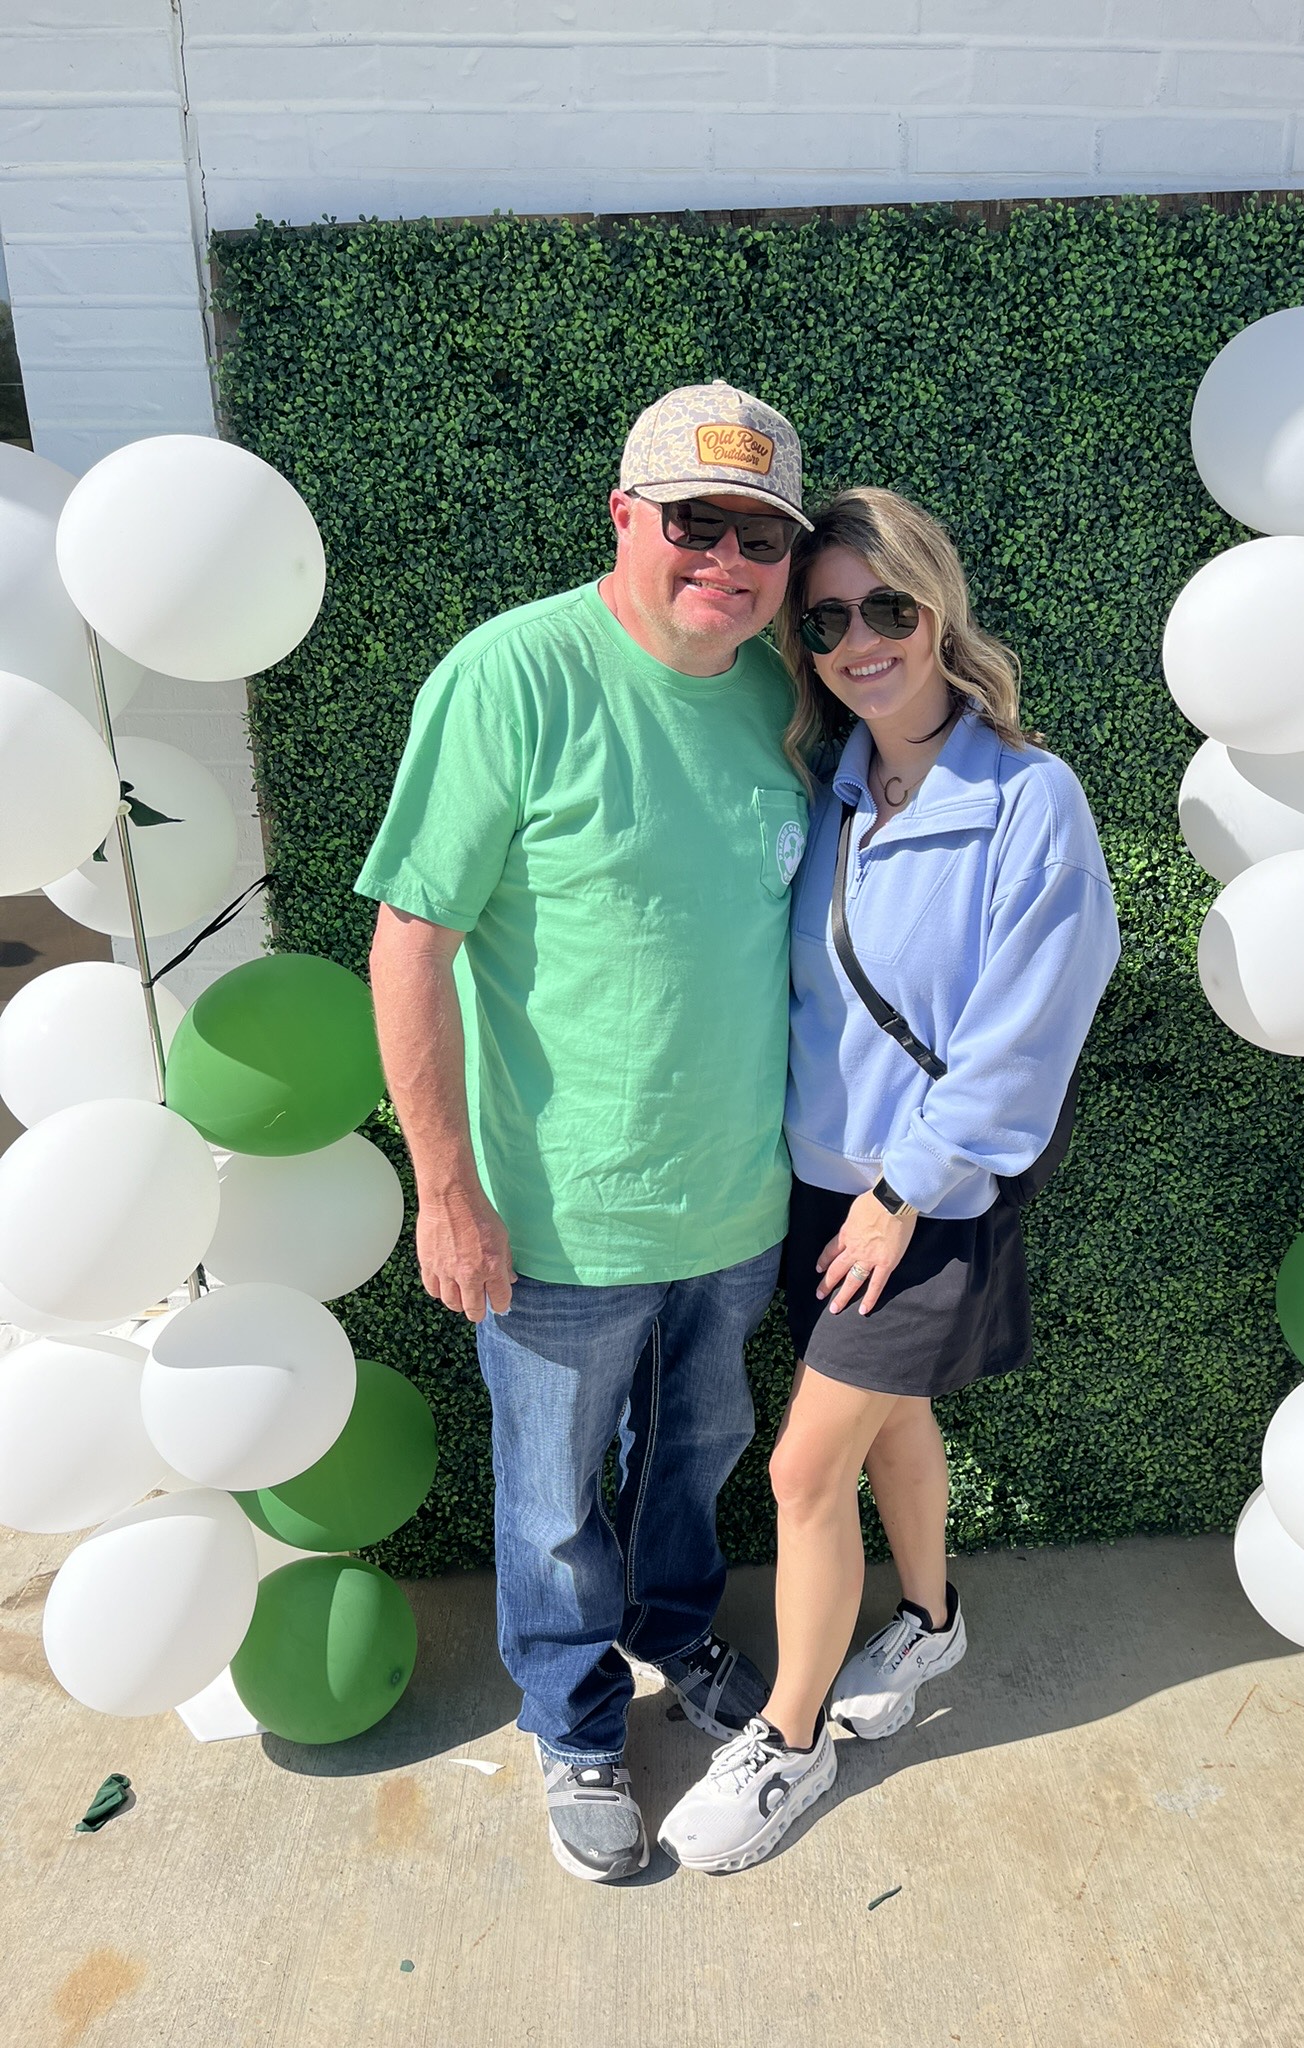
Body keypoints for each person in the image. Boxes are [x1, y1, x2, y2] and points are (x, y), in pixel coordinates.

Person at [356, 382, 815, 1884]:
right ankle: (574, 1720)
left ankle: (676, 1632)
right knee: (554, 1506)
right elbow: (410, 941)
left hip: (735, 1201)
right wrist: (446, 1190)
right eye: (696, 522)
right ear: (624, 517)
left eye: (761, 535)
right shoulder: (512, 674)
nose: (728, 559)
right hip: (555, 1217)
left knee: (698, 1454)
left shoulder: (781, 697)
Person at [659, 487, 1121, 1874]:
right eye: (827, 621)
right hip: (821, 1185)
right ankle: (929, 1622)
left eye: (887, 608)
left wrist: (901, 1190)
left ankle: (790, 1741)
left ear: (939, 611)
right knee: (889, 1420)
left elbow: (1025, 1034)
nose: (860, 641)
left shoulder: (1026, 799)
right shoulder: (835, 792)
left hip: (925, 1199)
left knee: (805, 1470)